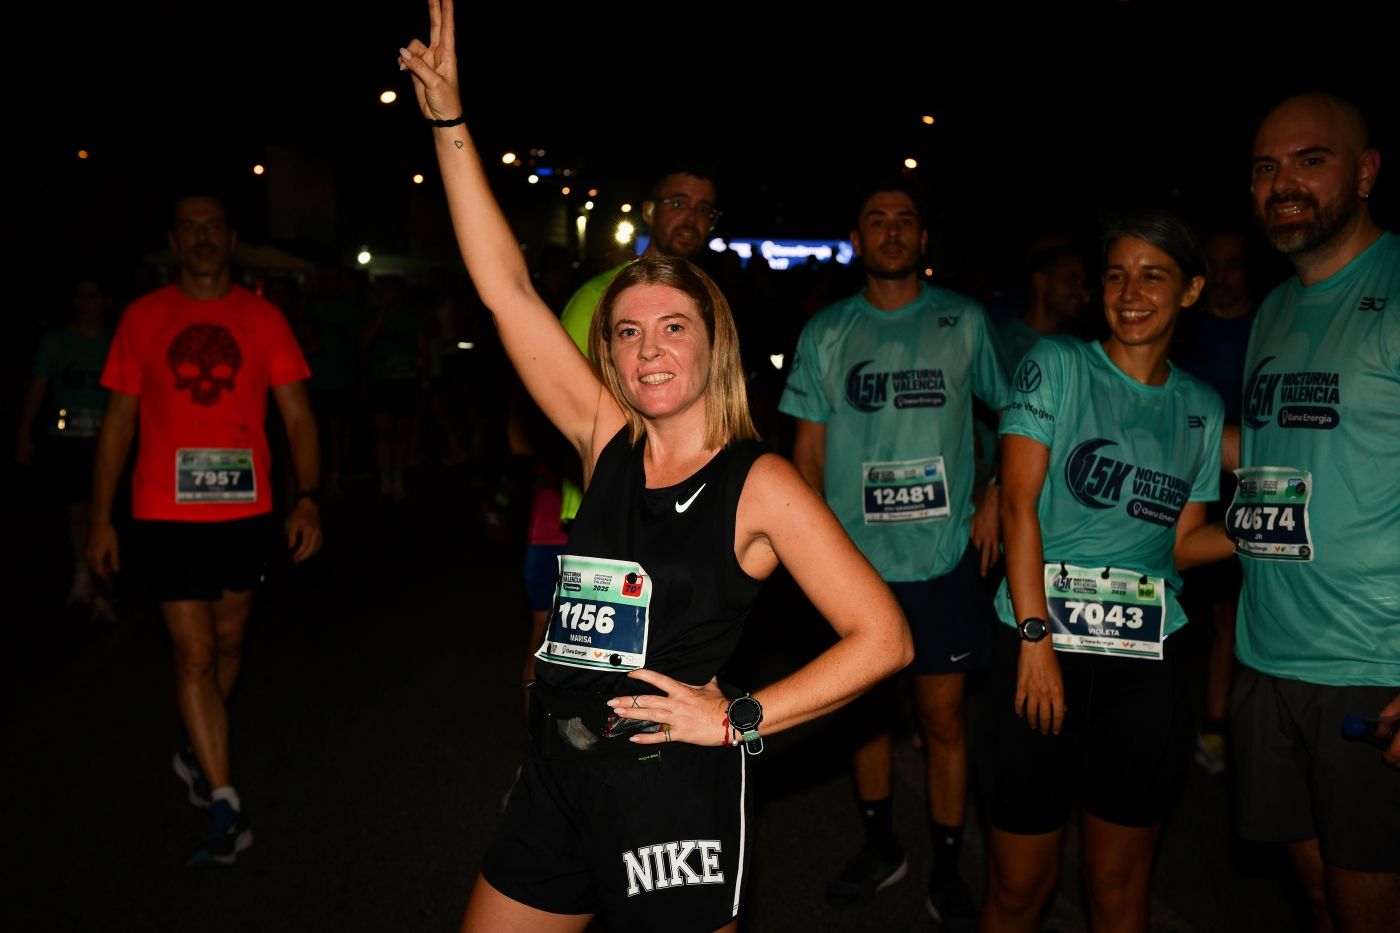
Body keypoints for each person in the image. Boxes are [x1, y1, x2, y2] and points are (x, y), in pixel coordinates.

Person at [399, 6, 913, 931]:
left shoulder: (761, 482)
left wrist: (737, 718)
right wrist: (449, 123)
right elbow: (505, 289)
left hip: (669, 791)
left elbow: (883, 638)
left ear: (714, 344)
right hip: (557, 770)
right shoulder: (605, 439)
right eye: (627, 332)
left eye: (674, 326)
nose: (648, 348)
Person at [979, 210, 1224, 933]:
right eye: (1117, 274)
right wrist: (1034, 637)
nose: (1130, 291)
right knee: (1021, 886)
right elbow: (1019, 508)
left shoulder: (1202, 407)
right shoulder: (1055, 364)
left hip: (1145, 665)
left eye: (1154, 274)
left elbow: (1184, 545)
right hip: (1038, 645)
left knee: (1117, 886)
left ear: (1191, 290)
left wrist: (1260, 531)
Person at [778, 178, 1011, 926]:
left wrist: (998, 492)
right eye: (876, 220)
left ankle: (946, 864)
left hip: (942, 558)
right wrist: (813, 553)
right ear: (857, 238)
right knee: (867, 716)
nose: (891, 232)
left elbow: (1016, 415)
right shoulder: (827, 332)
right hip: (854, 564)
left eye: (905, 220)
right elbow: (806, 454)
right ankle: (883, 847)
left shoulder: (965, 321)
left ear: (923, 239)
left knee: (944, 719)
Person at [88, 192, 323, 866]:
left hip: (246, 510)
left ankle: (198, 747)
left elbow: (300, 417)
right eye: (188, 228)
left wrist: (306, 498)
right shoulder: (142, 317)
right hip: (163, 509)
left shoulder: (262, 317)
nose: (201, 238)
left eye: (212, 226)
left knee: (228, 641)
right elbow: (117, 426)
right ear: (173, 239)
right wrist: (101, 517)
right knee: (193, 654)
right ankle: (225, 800)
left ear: (231, 236)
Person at [1230, 91, 1400, 931]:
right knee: (1320, 896)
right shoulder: (1274, 309)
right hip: (1266, 657)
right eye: (1266, 167)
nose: (1283, 181)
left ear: (1366, 172)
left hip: (1372, 664)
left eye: (1310, 159)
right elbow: (1265, 449)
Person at [1172, 228, 1258, 775]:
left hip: (1249, 481)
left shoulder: (1271, 324)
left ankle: (1218, 725)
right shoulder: (1187, 330)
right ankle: (1170, 717)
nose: (1224, 277)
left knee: (1231, 613)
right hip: (1182, 480)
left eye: (1234, 265)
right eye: (1215, 266)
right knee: (1179, 602)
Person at [16, 274, 118, 623]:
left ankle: (104, 587)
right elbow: (38, 386)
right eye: (79, 296)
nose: (84, 303)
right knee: (76, 511)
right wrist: (25, 432)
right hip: (66, 435)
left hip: (106, 440)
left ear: (105, 301)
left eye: (92, 295)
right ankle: (81, 572)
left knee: (103, 511)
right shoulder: (56, 340)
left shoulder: (116, 341)